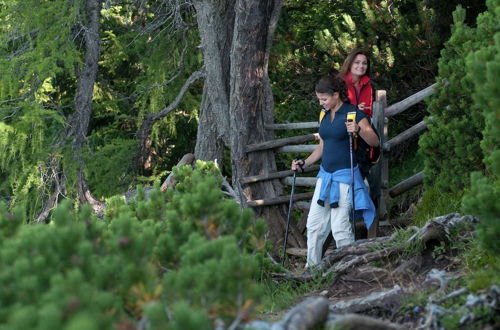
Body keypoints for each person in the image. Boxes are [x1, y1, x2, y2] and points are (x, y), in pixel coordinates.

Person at [291, 75, 379, 268]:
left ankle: (349, 268)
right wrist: (304, 163)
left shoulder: (353, 114)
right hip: (325, 177)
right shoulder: (324, 115)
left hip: (345, 178)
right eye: (319, 99)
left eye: (324, 99)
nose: (321, 103)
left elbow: (375, 141)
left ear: (336, 95)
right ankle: (311, 270)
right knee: (313, 225)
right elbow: (322, 148)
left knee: (340, 227)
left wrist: (358, 129)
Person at [340, 49, 373, 118]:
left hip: (362, 125)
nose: (361, 66)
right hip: (341, 125)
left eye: (364, 63)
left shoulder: (367, 86)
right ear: (349, 64)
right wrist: (355, 109)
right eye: (357, 62)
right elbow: (334, 109)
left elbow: (368, 112)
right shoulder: (340, 83)